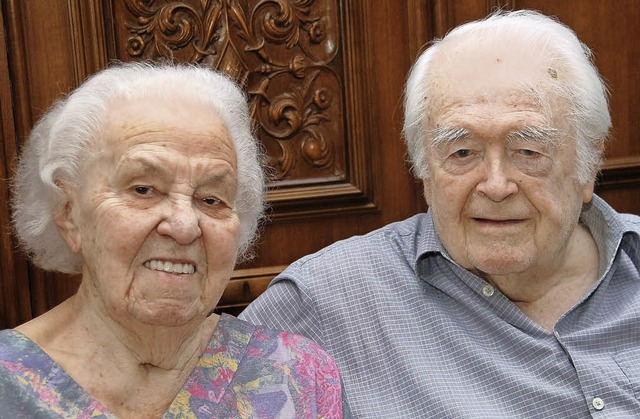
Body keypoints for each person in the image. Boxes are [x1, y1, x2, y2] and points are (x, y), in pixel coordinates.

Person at [240, 9, 640, 418]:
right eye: (462, 152)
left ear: (589, 165)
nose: (496, 186)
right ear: (425, 174)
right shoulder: (328, 301)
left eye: (529, 151)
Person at [0, 62, 343, 418]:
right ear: (69, 214)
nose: (184, 226)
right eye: (143, 189)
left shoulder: (298, 376)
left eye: (211, 199)